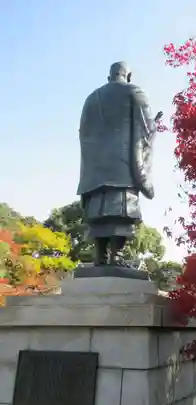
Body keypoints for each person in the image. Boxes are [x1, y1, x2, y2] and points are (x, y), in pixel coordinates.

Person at [77, 61, 162, 266]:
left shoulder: (91, 99)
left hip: (95, 172)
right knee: (121, 213)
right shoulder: (135, 92)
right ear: (129, 75)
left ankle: (100, 257)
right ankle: (116, 256)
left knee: (98, 214)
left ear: (109, 76)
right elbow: (145, 128)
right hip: (123, 169)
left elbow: (84, 134)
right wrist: (155, 126)